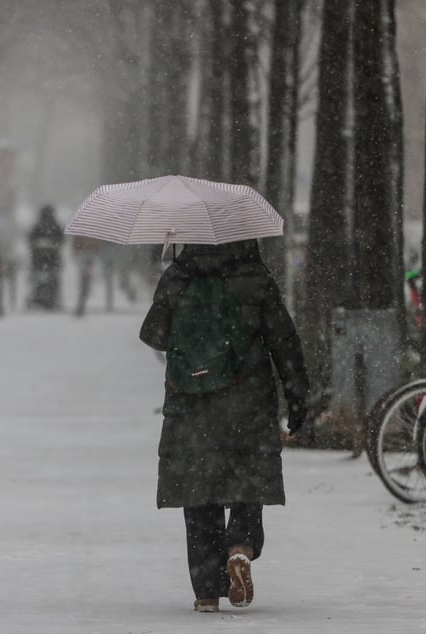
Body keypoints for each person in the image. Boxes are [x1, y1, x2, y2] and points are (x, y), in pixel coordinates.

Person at [139, 240, 308, 614]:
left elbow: (154, 335)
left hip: (191, 402)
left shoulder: (178, 275)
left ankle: (206, 592)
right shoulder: (254, 276)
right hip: (246, 398)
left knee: (199, 492)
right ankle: (240, 548)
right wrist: (297, 397)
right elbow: (283, 340)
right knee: (248, 477)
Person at [27, 204, 64, 310]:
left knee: (53, 280)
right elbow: (31, 240)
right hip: (41, 260)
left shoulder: (54, 226)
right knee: (39, 280)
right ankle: (40, 297)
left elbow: (61, 240)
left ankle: (51, 298)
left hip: (51, 260)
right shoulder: (38, 226)